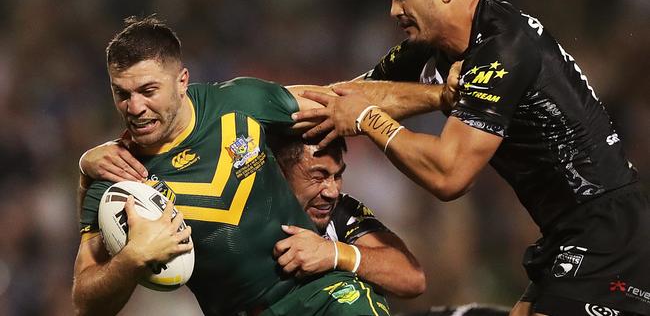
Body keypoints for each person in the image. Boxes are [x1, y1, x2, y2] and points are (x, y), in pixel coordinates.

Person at [292, 0, 650, 315]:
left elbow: (450, 175)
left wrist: (368, 119)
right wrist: (255, 102)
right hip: (568, 235)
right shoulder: (436, 48)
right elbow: (340, 97)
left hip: (608, 234)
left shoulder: (504, 46)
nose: (394, 10)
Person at [72, 15, 396, 316]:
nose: (135, 107)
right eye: (122, 94)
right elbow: (85, 303)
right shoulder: (115, 181)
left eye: (148, 91)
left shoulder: (238, 104)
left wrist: (441, 98)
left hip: (320, 293)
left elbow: (345, 105)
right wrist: (131, 259)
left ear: (181, 81)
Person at [81, 133, 426, 299]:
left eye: (338, 176)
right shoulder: (223, 213)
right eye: (319, 176)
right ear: (280, 172)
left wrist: (335, 254)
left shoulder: (339, 213)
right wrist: (87, 168)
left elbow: (412, 279)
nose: (333, 190)